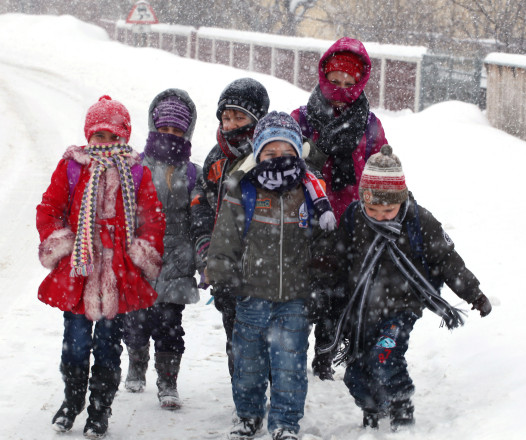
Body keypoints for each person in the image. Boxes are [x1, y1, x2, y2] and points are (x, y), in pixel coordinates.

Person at [319, 145, 492, 432]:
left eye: (388, 209)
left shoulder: (419, 221)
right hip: (363, 309)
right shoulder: (355, 218)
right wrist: (323, 287)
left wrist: (473, 293)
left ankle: (401, 408)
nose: (380, 216)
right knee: (355, 374)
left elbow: (448, 260)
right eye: (372, 208)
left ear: (400, 199)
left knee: (384, 357)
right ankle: (373, 408)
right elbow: (338, 258)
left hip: (401, 309)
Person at [36, 95, 166, 439]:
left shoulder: (136, 170)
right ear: (88, 135)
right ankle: (72, 399)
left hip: (117, 271)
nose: (104, 143)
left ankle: (100, 409)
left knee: (109, 346)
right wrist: (63, 243)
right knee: (75, 343)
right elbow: (50, 207)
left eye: (112, 137)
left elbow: (151, 218)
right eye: (98, 136)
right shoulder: (73, 166)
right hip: (80, 268)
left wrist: (141, 252)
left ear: (123, 137)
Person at [206, 112, 336, 440]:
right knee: (248, 363)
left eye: (287, 153)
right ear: (258, 154)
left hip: (294, 297)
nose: (279, 160)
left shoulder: (310, 193)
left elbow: (324, 245)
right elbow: (225, 238)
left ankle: (285, 423)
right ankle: (248, 416)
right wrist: (222, 280)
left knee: (289, 366)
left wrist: (322, 282)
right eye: (270, 154)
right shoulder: (244, 188)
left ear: (299, 153)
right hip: (251, 294)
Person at [291, 36, 389, 381]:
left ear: (360, 82)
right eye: (335, 81)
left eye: (350, 83)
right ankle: (293, 354)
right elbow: (286, 161)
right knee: (302, 291)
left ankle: (325, 354)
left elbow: (383, 171)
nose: (342, 89)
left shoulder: (370, 125)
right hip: (305, 216)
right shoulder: (301, 119)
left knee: (338, 291)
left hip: (352, 220)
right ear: (323, 76)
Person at [122, 89, 201, 411]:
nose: (170, 136)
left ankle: (168, 381)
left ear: (187, 132)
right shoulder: (136, 167)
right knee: (137, 322)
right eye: (164, 129)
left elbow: (198, 217)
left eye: (177, 131)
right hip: (142, 258)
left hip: (177, 260)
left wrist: (200, 255)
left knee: (170, 324)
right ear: (154, 128)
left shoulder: (191, 173)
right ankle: (137, 360)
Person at [190, 78, 270, 378]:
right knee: (236, 337)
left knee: (269, 336)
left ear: (257, 119)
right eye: (226, 116)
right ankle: (245, 398)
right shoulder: (217, 158)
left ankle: (275, 396)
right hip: (227, 265)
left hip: (267, 263)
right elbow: (201, 206)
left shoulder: (271, 153)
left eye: (240, 117)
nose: (232, 123)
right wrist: (206, 251)